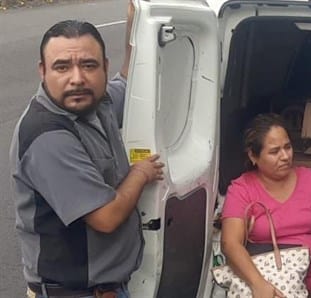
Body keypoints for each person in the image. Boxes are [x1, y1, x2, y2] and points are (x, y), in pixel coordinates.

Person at [9, 3, 165, 298]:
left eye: (89, 65)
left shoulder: (98, 102)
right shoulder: (47, 135)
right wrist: (140, 173)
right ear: (42, 71)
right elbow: (106, 217)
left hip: (108, 288)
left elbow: (132, 83)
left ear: (105, 67)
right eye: (62, 66)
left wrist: (137, 21)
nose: (77, 78)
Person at [221, 113, 311, 298]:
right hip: (272, 290)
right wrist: (258, 284)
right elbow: (230, 244)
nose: (285, 156)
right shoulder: (242, 189)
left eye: (288, 147)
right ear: (253, 155)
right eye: (274, 151)